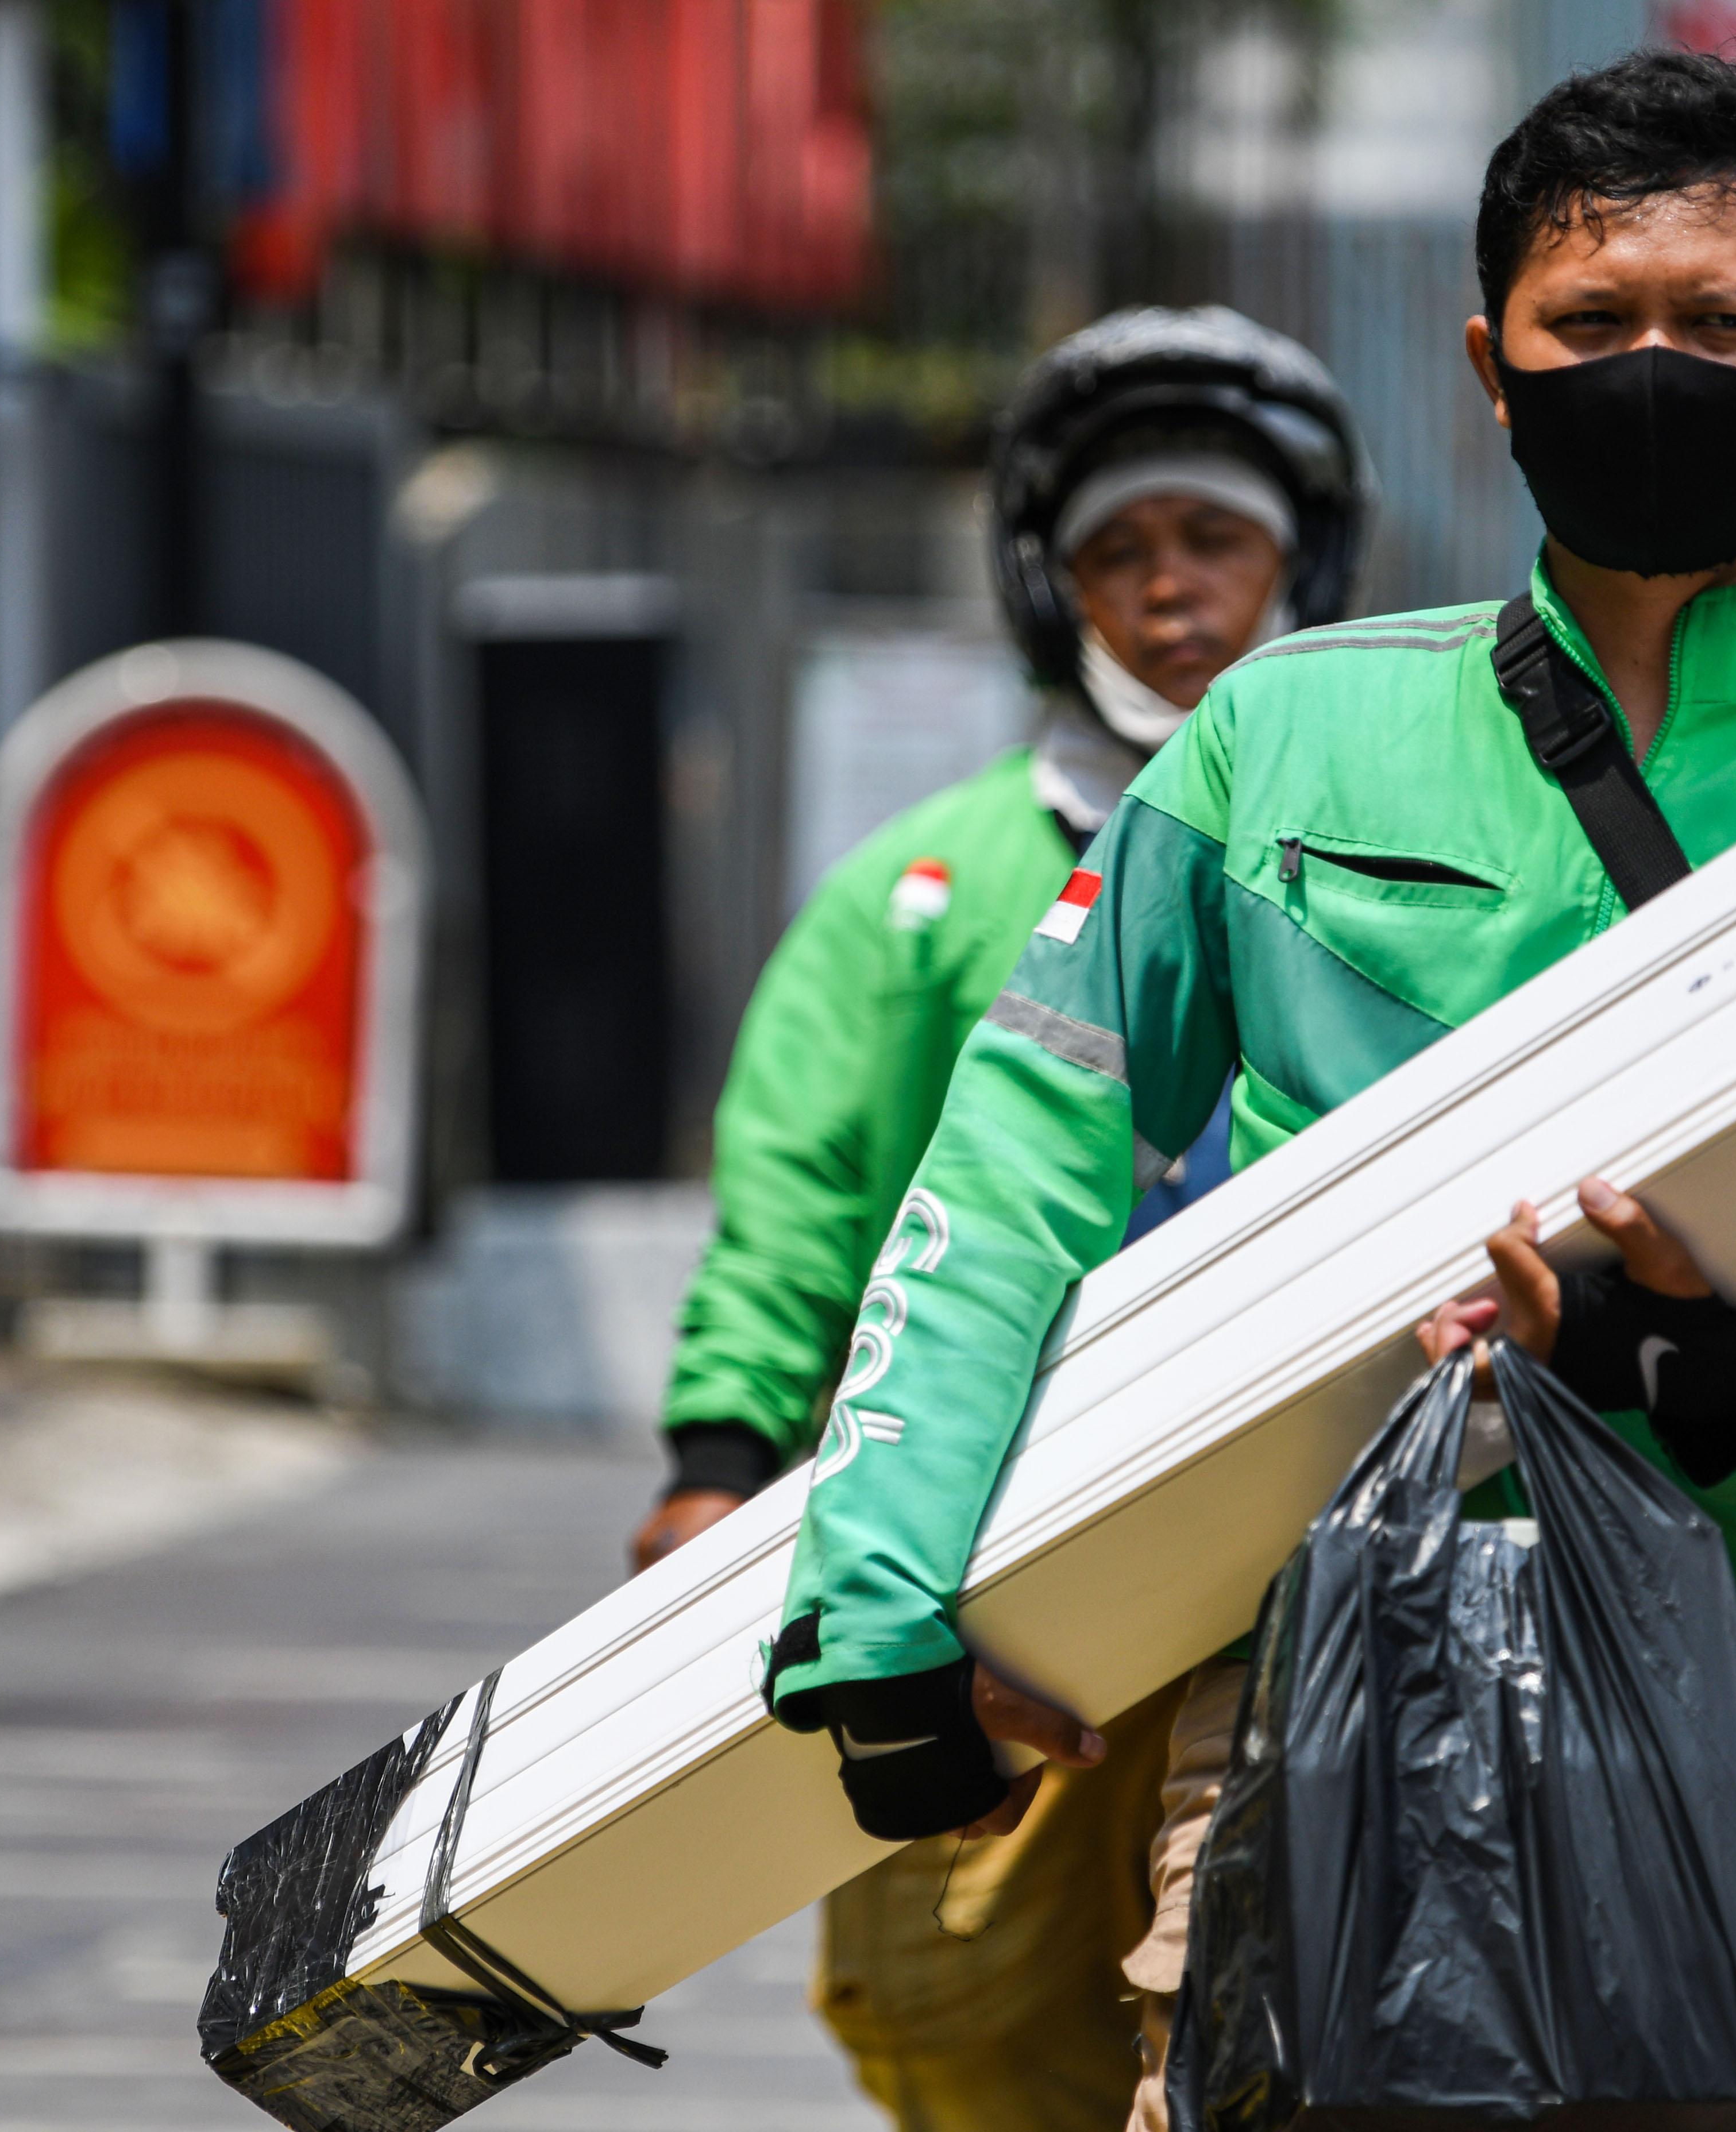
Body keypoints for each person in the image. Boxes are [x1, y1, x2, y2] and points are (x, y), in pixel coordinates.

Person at [761, 52, 1736, 2132]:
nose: (1653, 373)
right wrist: (882, 1594)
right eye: (1590, 328)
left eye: (1724, 329)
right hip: (1303, 1716)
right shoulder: (1282, 742)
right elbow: (1020, 1157)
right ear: (1489, 370)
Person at [641, 307, 1368, 2132]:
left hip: (1313, 1557)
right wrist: (723, 1458)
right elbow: (794, 1203)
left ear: (1299, 566)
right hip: (1000, 1572)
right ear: (1061, 594)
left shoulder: (1385, 853)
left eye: (1215, 539)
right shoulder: (919, 891)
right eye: (1122, 551)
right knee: (961, 2012)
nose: (1173, 587)